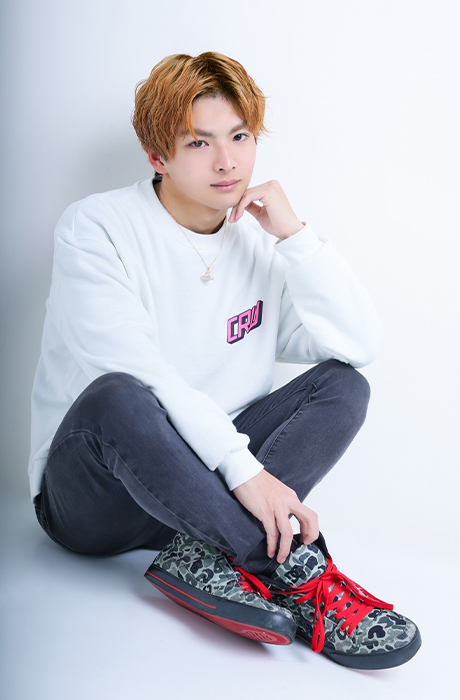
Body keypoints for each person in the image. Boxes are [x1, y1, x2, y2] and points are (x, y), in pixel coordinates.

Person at [28, 51, 421, 669]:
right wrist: (245, 472)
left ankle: (202, 555)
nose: (227, 161)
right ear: (157, 157)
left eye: (240, 137)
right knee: (120, 395)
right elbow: (141, 373)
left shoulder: (260, 244)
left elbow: (357, 345)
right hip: (98, 498)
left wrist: (296, 238)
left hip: (200, 499)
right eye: (199, 142)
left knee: (344, 386)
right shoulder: (96, 228)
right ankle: (294, 577)